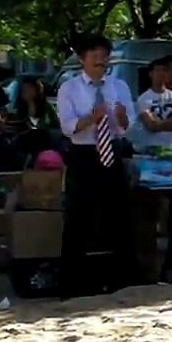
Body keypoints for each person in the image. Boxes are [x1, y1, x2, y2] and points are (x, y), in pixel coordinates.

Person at [57, 34, 139, 295]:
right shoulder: (69, 88)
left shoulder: (118, 86)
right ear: (83, 60)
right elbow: (68, 127)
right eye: (94, 57)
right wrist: (93, 117)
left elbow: (128, 127)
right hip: (83, 153)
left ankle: (122, 279)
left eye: (104, 57)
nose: (100, 62)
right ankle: (72, 283)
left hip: (111, 151)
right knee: (78, 217)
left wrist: (122, 118)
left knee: (119, 215)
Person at [133, 56, 172, 152]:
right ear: (151, 74)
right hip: (151, 148)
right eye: (158, 70)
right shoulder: (143, 99)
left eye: (164, 70)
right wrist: (171, 122)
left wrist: (158, 124)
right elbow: (150, 125)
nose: (161, 73)